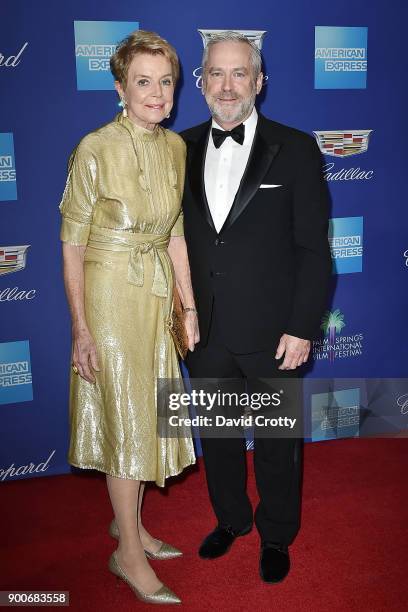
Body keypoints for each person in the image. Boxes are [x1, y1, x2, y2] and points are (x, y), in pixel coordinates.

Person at [181, 31, 331, 583]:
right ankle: (231, 520)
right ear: (201, 83)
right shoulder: (179, 147)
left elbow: (314, 249)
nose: (227, 85)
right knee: (217, 437)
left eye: (239, 73)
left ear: (259, 82)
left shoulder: (295, 148)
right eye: (215, 74)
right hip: (204, 330)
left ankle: (276, 534)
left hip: (273, 331)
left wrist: (300, 326)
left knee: (276, 442)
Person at [59, 30, 199, 605]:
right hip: (110, 294)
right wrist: (81, 329)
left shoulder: (176, 148)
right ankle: (128, 557)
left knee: (149, 412)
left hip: (156, 295)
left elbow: (175, 235)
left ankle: (132, 528)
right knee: (127, 419)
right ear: (120, 87)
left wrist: (187, 307)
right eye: (144, 82)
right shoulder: (95, 147)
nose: (157, 94)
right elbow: (70, 243)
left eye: (165, 82)